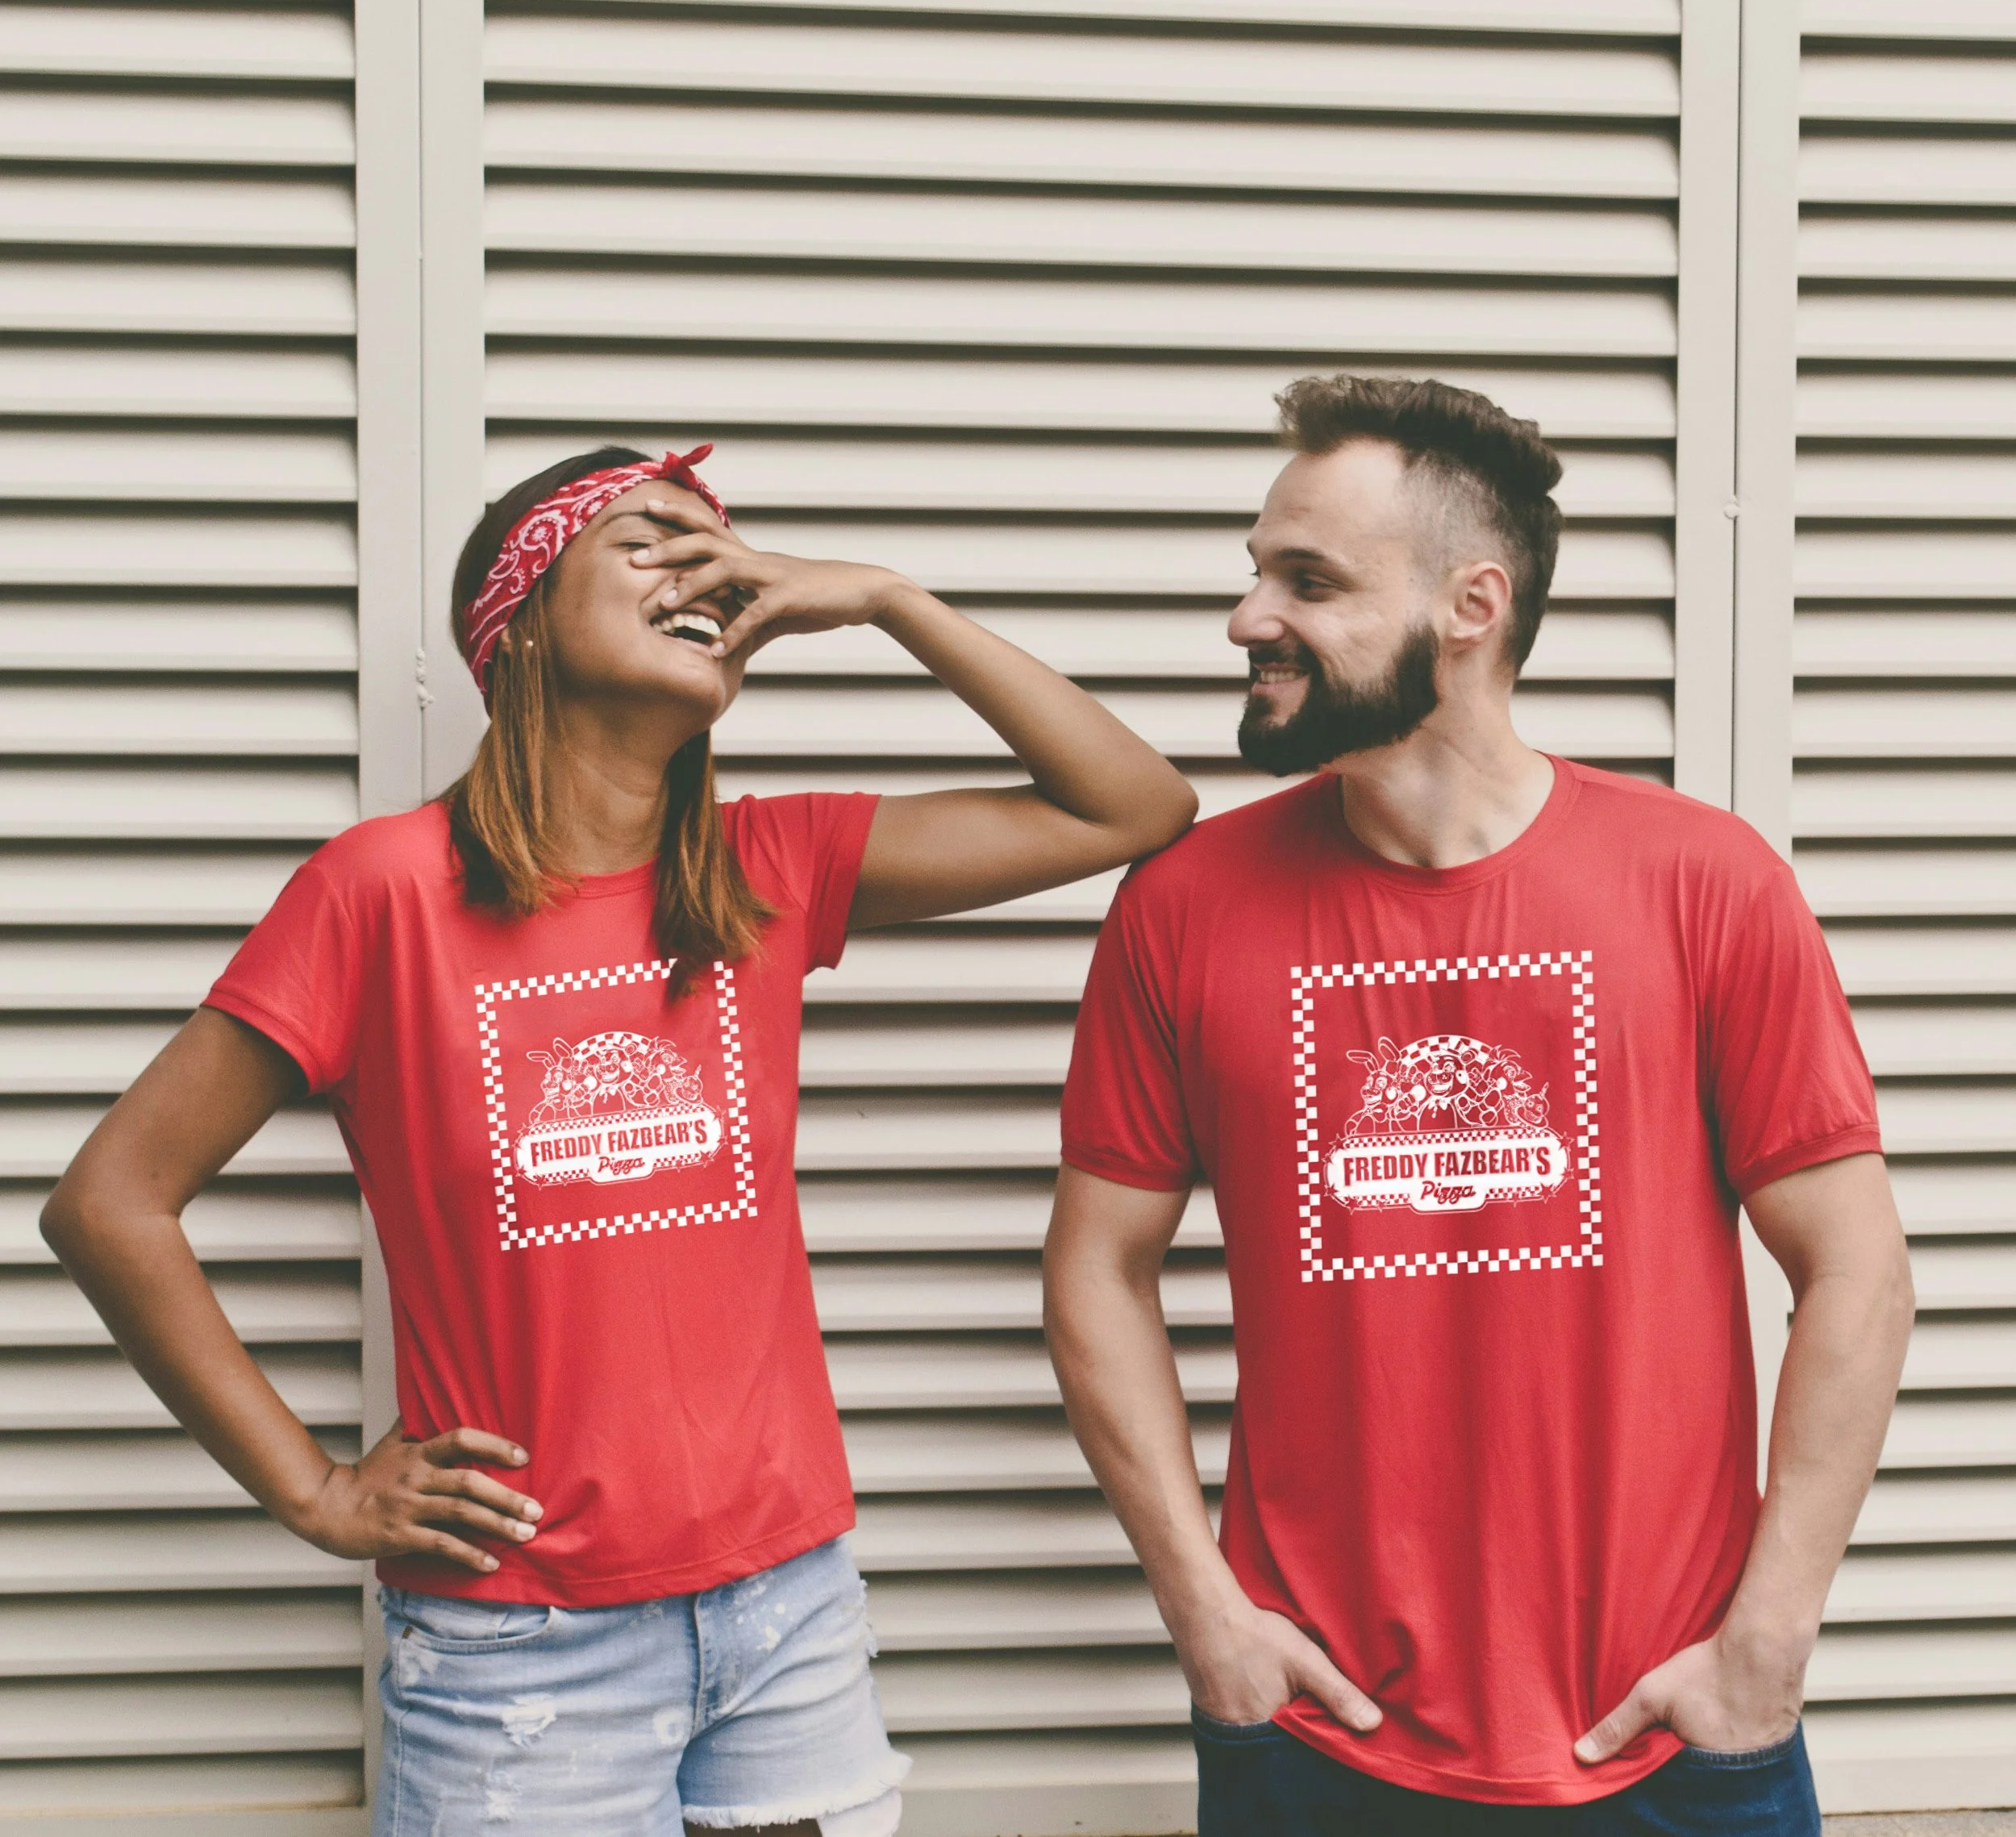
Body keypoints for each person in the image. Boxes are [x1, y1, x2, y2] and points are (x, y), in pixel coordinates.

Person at [42, 444, 1196, 1837]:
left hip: (788, 1612)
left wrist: (888, 599)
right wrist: (316, 1488)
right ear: (519, 619)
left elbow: (1134, 805)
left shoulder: (766, 869)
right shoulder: (378, 894)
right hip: (521, 1650)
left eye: (721, 552)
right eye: (649, 540)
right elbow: (111, 1201)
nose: (706, 572)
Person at [1043, 377, 1914, 1833]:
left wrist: (1767, 1643)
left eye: (1309, 579)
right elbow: (1095, 1267)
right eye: (1256, 572)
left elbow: (1859, 1269)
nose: (1250, 617)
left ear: (1472, 606)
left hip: (1667, 1732)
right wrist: (1206, 1611)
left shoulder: (1704, 883)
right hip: (1317, 1732)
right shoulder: (1182, 908)